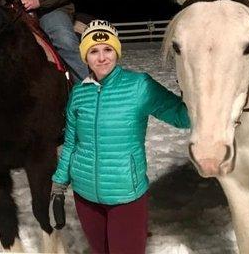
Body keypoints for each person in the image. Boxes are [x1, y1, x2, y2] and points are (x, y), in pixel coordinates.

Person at [51, 20, 190, 254]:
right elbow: (72, 143)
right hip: (85, 197)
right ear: (85, 57)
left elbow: (182, 117)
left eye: (108, 49)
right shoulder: (79, 93)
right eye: (94, 51)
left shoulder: (139, 86)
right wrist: (59, 184)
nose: (102, 57)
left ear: (117, 52)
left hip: (126, 196)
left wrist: (196, 91)